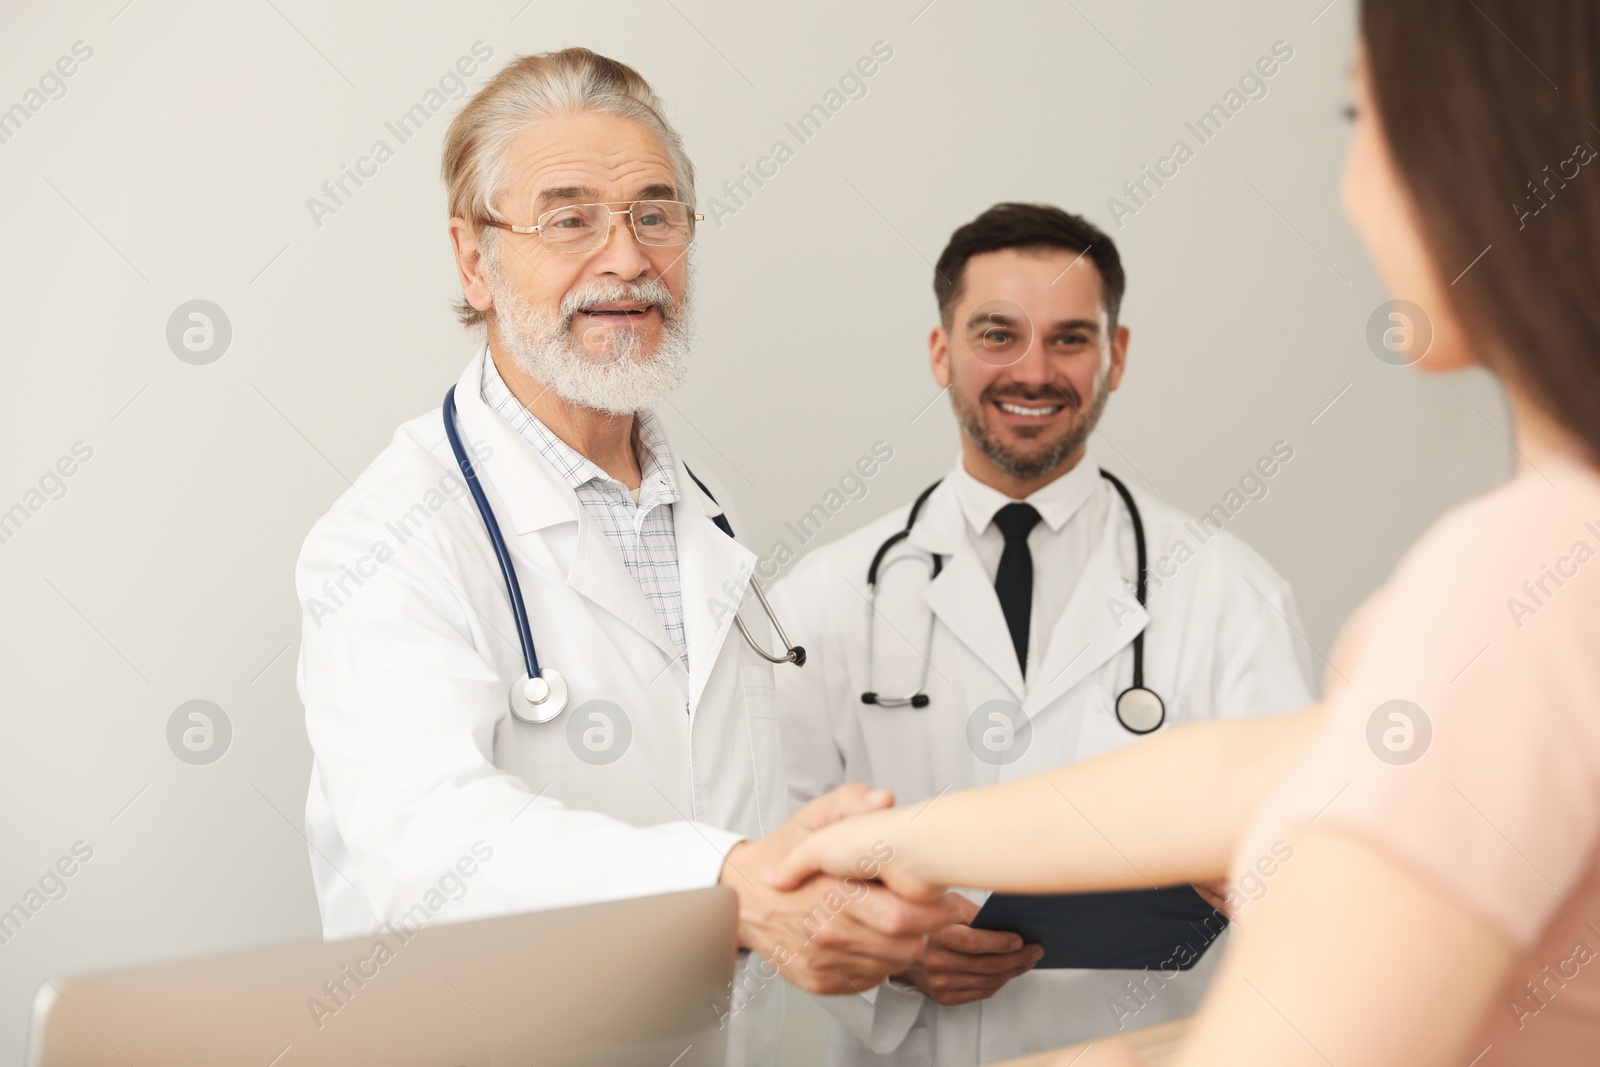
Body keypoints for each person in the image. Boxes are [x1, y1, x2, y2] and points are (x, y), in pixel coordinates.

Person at [769, 2, 1600, 1064]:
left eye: (1362, 112)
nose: (1349, 181)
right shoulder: (1551, 560)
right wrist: (879, 845)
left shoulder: (1517, 572)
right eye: (999, 335)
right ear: (942, 352)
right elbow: (1241, 772)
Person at [293, 48, 945, 1067]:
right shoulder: (390, 534)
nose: (628, 259)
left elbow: (723, 797)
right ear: (474, 260)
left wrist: (863, 913)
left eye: (655, 213)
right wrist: (729, 876)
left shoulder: (696, 508)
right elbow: (428, 849)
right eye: (569, 218)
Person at [768, 204, 1314, 1065]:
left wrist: (1265, 871)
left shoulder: (1230, 593)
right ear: (941, 351)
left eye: (1069, 339)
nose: (1034, 370)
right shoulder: (825, 599)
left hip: (1146, 1045)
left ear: (1115, 356)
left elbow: (1310, 862)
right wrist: (892, 954)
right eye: (997, 334)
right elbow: (769, 856)